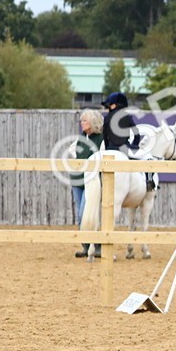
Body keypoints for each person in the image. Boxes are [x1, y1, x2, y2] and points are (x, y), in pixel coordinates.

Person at [71, 109, 104, 258]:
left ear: (93, 122)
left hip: (91, 181)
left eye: (84, 120)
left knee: (86, 213)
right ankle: (85, 246)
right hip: (77, 179)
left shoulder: (101, 139)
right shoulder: (81, 137)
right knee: (79, 215)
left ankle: (96, 246)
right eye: (81, 120)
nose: (81, 123)